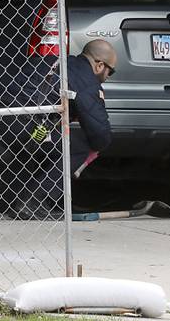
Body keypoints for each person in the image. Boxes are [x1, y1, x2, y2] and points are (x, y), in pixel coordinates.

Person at [10, 39, 117, 219]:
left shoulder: (53, 61)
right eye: (110, 71)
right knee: (81, 145)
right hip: (29, 130)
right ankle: (33, 201)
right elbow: (100, 136)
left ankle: (17, 198)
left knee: (52, 138)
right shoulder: (88, 82)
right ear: (99, 65)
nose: (108, 76)